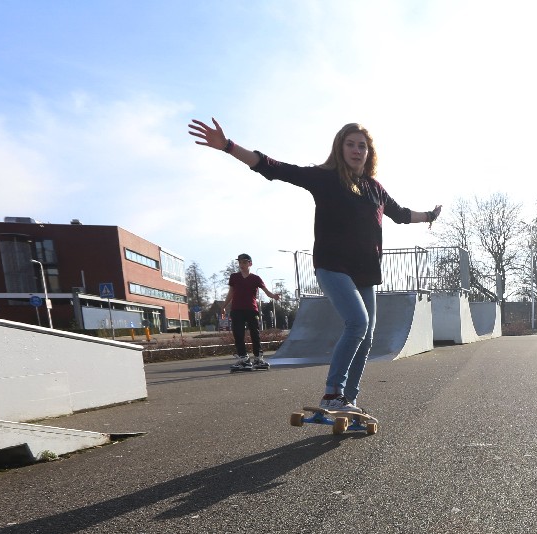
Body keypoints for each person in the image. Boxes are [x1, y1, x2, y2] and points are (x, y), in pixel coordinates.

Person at [189, 117, 441, 415]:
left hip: (366, 273)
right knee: (357, 323)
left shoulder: (375, 188)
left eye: (362, 146)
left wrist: (429, 216)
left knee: (367, 337)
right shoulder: (326, 178)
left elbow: (400, 214)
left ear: (369, 152)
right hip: (333, 266)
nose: (356, 150)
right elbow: (275, 168)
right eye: (350, 145)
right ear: (340, 148)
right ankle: (332, 393)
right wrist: (229, 146)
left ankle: (348, 399)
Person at [222, 253, 281, 370]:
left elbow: (266, 291)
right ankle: (244, 359)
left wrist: (274, 296)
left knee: (255, 333)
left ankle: (258, 358)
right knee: (238, 334)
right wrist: (223, 306)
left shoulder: (256, 278)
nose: (241, 265)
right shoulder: (234, 277)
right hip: (237, 309)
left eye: (244, 262)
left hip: (251, 309)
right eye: (240, 262)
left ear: (250, 264)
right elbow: (231, 292)